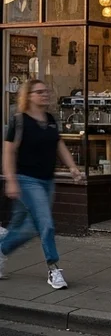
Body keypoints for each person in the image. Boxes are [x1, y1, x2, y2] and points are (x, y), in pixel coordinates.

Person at [0, 79, 83, 287]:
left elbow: (58, 144)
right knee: (45, 223)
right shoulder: (20, 120)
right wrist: (10, 180)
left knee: (26, 227)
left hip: (48, 180)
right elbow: (9, 151)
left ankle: (1, 249)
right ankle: (54, 269)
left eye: (46, 91)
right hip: (27, 180)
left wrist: (73, 167)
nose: (45, 95)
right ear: (28, 96)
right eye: (39, 92)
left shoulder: (50, 119)